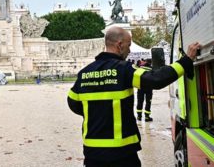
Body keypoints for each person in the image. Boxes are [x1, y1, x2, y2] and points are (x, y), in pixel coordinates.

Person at [67, 26, 200, 167]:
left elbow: (72, 102)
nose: (130, 50)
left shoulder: (84, 73)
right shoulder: (124, 69)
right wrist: (185, 61)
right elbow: (156, 79)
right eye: (128, 45)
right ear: (119, 45)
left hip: (92, 154)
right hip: (122, 154)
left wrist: (96, 111)